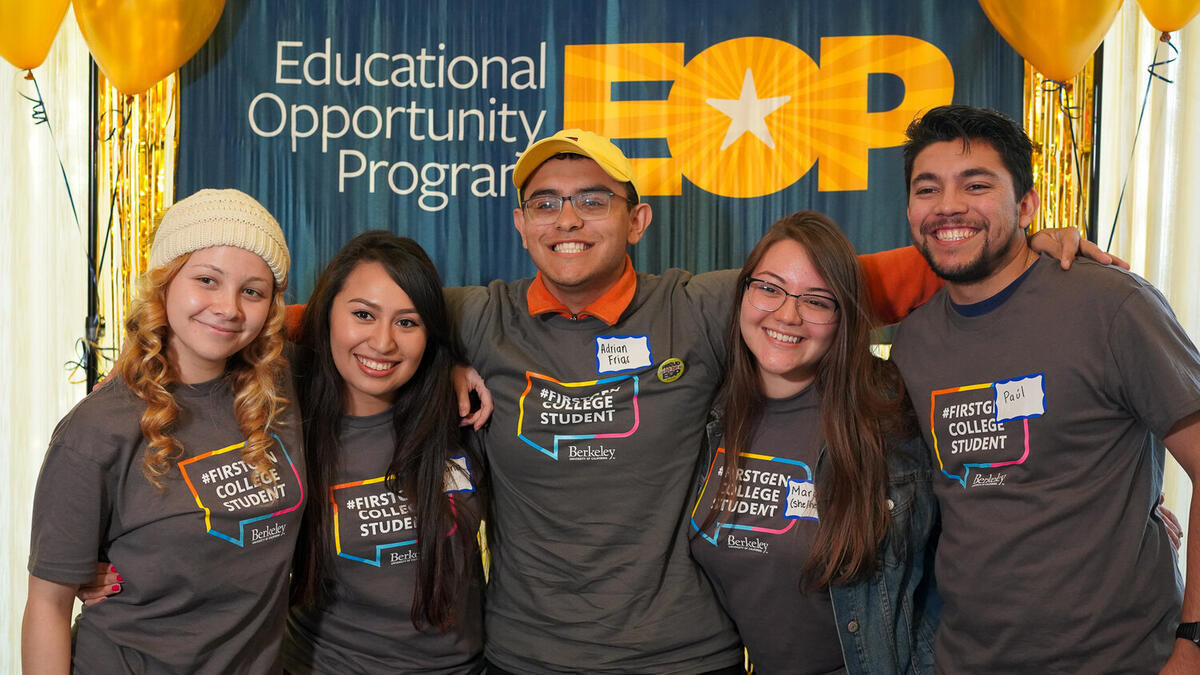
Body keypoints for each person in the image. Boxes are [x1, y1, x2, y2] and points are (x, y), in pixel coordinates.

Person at [445, 128, 1104, 673]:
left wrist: (1024, 249)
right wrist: (438, 366)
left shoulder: (698, 306)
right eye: (545, 202)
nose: (567, 218)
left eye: (592, 199)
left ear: (637, 218)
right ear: (521, 223)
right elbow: (372, 324)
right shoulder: (476, 317)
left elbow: (857, 281)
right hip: (525, 656)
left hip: (683, 656)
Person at [890, 104, 1200, 673]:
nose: (949, 206)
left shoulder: (1110, 305)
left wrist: (1195, 644)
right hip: (964, 658)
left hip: (1124, 658)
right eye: (927, 189)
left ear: (1027, 204)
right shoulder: (912, 343)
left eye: (976, 184)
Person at [22, 189, 303, 673]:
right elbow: (47, 605)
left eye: (252, 291)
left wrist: (449, 364)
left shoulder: (283, 387)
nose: (229, 307)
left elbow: (371, 321)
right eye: (207, 280)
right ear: (164, 284)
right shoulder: (95, 430)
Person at [690, 211, 938, 674]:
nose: (788, 314)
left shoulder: (890, 419)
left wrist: (1031, 254)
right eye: (769, 287)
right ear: (742, 292)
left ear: (844, 316)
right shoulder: (710, 413)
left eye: (817, 301)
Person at [283, 231, 484, 673]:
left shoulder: (463, 412)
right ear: (327, 315)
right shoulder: (283, 411)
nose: (383, 343)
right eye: (362, 314)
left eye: (407, 322)